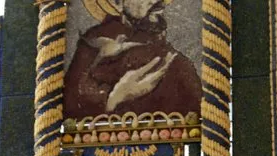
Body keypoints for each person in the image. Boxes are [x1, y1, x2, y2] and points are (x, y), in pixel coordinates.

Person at [64, 0, 202, 118]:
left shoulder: (175, 61)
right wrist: (115, 98)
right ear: (117, 3)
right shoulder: (93, 45)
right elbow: (71, 104)